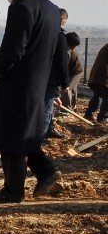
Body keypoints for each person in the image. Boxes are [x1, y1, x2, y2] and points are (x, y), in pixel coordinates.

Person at [0, 0, 62, 203]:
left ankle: (13, 190)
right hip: (37, 84)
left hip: (15, 85)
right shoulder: (52, 10)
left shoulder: (23, 8)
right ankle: (46, 171)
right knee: (26, 135)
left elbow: (13, 50)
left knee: (9, 138)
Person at [43, 10, 71, 139]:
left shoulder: (44, 31)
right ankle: (38, 142)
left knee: (47, 108)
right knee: (46, 111)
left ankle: (49, 130)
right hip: (50, 79)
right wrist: (65, 84)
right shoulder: (59, 37)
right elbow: (62, 63)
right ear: (64, 19)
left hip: (40, 78)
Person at [84, 42, 108, 123]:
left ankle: (89, 114)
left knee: (97, 96)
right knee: (106, 98)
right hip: (103, 76)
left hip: (97, 76)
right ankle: (103, 118)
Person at [63, 32, 83, 109]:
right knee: (72, 88)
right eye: (73, 46)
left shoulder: (68, 52)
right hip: (74, 71)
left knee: (67, 88)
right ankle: (72, 106)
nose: (74, 48)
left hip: (76, 72)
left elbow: (64, 67)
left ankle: (66, 109)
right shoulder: (67, 50)